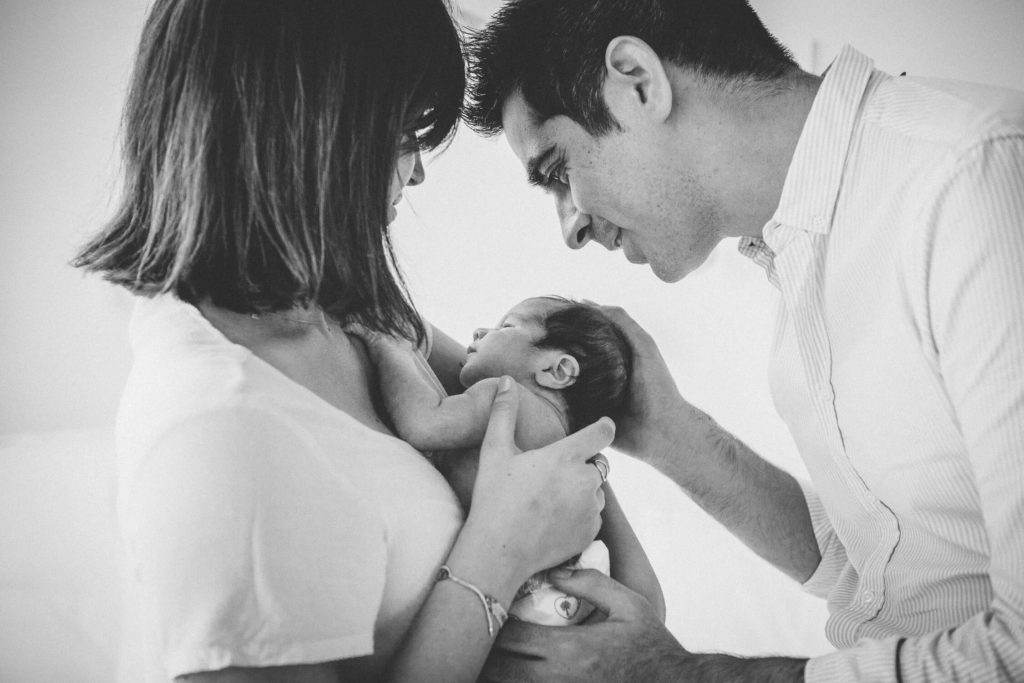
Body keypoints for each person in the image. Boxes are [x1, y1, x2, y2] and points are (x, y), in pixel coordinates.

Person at [464, 0, 1024, 681]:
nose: (571, 229)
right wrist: (669, 431)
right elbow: (887, 572)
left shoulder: (975, 178)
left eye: (557, 171)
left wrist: (682, 675)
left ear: (637, 81)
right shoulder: (805, 245)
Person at [71, 2, 615, 682]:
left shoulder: (342, 306)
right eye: (406, 132)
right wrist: (498, 553)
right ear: (314, 128)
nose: (416, 173)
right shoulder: (224, 428)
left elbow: (632, 606)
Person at [353, 295, 663, 625]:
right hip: (567, 599)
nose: (479, 331)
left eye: (506, 326)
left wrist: (389, 346)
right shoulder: (578, 459)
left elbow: (425, 423)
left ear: (557, 369)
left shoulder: (506, 397)